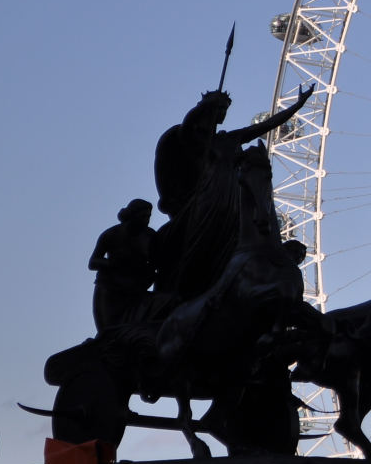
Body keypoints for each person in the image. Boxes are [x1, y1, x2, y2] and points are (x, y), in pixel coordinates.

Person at [151, 84, 314, 301]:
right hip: (207, 198)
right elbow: (189, 123)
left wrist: (298, 105)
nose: (223, 115)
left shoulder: (229, 139)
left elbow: (267, 126)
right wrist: (206, 105)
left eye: (225, 110)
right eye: (220, 110)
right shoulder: (192, 140)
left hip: (232, 200)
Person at [89, 199, 156, 330]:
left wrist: (148, 275)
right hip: (110, 290)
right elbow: (93, 262)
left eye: (148, 217)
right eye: (143, 216)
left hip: (136, 290)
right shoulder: (111, 234)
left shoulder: (150, 236)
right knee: (109, 331)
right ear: (133, 216)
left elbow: (155, 263)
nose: (146, 220)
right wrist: (115, 264)